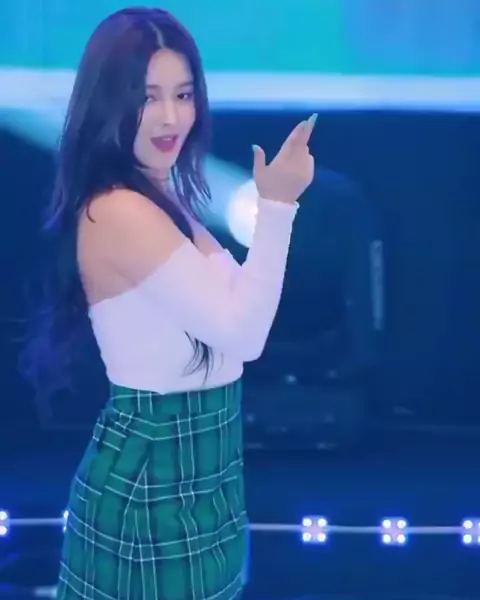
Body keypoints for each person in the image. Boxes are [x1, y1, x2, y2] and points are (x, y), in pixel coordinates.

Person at [20, 7, 315, 600]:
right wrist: (278, 207)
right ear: (110, 102)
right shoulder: (116, 209)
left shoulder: (165, 196)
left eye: (183, 94)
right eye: (147, 97)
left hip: (208, 476)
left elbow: (237, 316)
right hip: (149, 483)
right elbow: (244, 333)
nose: (171, 117)